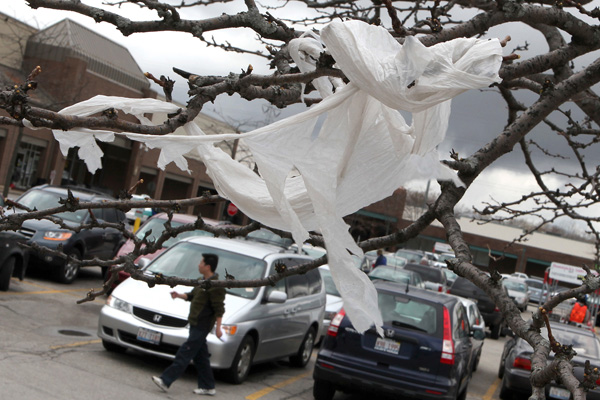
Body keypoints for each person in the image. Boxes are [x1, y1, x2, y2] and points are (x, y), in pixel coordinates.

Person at [152, 253, 226, 396]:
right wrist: (178, 295)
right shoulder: (201, 281)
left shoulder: (216, 286)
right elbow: (192, 296)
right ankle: (208, 386)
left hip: (202, 326)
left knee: (184, 353)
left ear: (207, 266)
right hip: (194, 323)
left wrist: (218, 328)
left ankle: (165, 380)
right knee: (201, 357)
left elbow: (219, 308)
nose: (198, 265)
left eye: (201, 263)